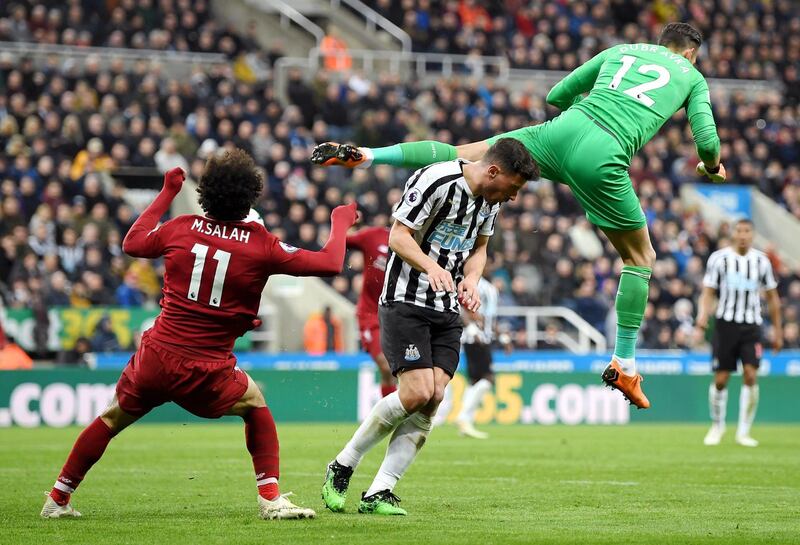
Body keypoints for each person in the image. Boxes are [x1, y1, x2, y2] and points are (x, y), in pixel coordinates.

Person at [312, 22, 725, 410]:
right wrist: (710, 166)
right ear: (690, 53)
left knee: (463, 154)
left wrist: (576, 118)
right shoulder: (691, 76)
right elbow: (706, 140)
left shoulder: (622, 51)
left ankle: (368, 155)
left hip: (560, 131)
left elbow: (558, 94)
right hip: (604, 153)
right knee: (640, 258)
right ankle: (625, 364)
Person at [41, 150, 359, 520]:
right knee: (256, 406)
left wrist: (167, 193)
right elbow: (331, 262)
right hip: (205, 368)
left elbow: (133, 242)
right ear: (250, 196)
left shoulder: (183, 227)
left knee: (110, 419)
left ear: (205, 192)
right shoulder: (261, 244)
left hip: (156, 356)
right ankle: (270, 499)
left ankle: (57, 499)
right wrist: (340, 222)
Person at [321, 138, 538, 516]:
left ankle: (379, 492)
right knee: (417, 390)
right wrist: (433, 267)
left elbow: (479, 250)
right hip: (405, 299)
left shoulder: (492, 200)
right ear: (493, 171)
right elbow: (397, 236)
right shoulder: (436, 181)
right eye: (514, 188)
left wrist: (470, 280)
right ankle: (342, 464)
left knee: (435, 396)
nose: (514, 197)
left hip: (446, 305)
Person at [695, 219, 781, 447]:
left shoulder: (761, 261)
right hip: (725, 324)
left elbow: (773, 299)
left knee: (751, 375)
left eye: (747, 231)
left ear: (752, 234)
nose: (743, 235)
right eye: (739, 231)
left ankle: (743, 431)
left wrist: (778, 332)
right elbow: (708, 292)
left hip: (752, 326)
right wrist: (703, 315)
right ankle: (717, 425)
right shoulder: (719, 259)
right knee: (721, 379)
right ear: (733, 233)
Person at [345, 219, 396, 397]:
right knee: (385, 363)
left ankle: (393, 416)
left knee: (392, 372)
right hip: (371, 313)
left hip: (399, 314)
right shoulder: (374, 235)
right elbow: (344, 240)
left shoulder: (419, 244)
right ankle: (392, 415)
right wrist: (345, 221)